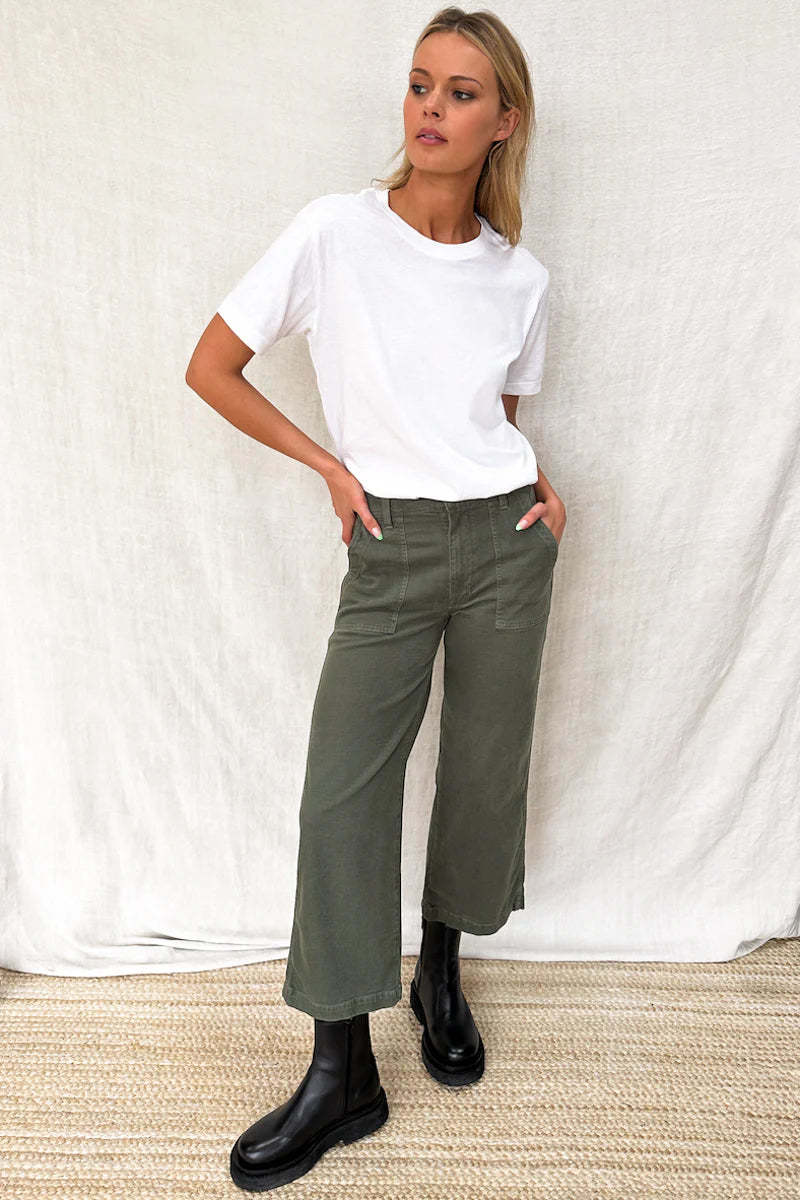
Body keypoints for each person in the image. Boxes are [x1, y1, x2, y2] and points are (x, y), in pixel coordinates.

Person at [186, 7, 566, 1191]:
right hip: (388, 546)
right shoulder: (334, 233)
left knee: (483, 771)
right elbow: (211, 365)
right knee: (339, 795)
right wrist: (327, 466)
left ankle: (438, 970)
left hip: (504, 542)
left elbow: (489, 419)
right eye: (418, 84)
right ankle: (340, 1068)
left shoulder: (519, 279)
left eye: (460, 92)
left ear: (503, 121)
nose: (429, 109)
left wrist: (539, 489)